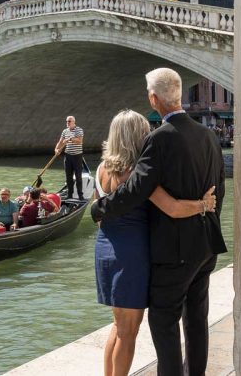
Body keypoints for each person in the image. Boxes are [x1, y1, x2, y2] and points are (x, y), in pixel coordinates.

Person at [92, 68, 227, 376]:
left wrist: (99, 209)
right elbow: (219, 188)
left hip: (173, 252)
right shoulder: (208, 135)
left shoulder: (159, 139)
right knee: (196, 321)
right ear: (179, 93)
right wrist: (206, 214)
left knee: (163, 324)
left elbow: (136, 190)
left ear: (153, 98)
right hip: (205, 245)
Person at [55, 115, 84, 200]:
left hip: (77, 156)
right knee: (68, 177)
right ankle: (70, 194)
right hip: (68, 156)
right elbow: (60, 142)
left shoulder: (79, 130)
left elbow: (80, 141)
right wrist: (56, 149)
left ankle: (80, 195)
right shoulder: (65, 131)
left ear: (74, 122)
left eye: (69, 121)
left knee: (78, 177)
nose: (67, 123)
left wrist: (70, 139)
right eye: (67, 121)